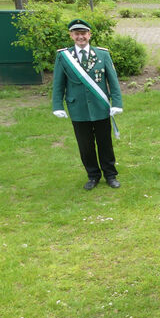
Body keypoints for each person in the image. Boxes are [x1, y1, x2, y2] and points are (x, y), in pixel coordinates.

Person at [51, 19, 123, 190]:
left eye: (83, 33)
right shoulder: (64, 56)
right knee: (85, 145)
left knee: (105, 142)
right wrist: (57, 105)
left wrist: (117, 102)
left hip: (100, 107)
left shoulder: (102, 54)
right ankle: (93, 176)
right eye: (77, 34)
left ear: (89, 35)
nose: (80, 37)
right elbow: (58, 83)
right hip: (78, 108)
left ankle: (110, 175)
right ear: (71, 35)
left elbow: (113, 82)